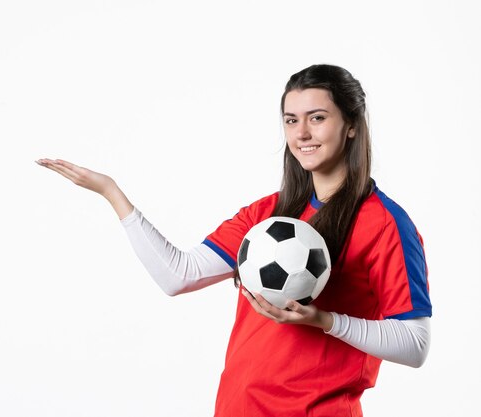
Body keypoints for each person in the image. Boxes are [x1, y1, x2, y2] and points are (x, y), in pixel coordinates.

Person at [36, 64, 432, 417]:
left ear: (351, 125)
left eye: (317, 117)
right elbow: (178, 275)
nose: (303, 133)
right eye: (291, 120)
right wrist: (112, 193)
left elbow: (415, 345)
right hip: (237, 407)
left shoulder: (386, 224)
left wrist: (323, 320)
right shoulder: (267, 215)